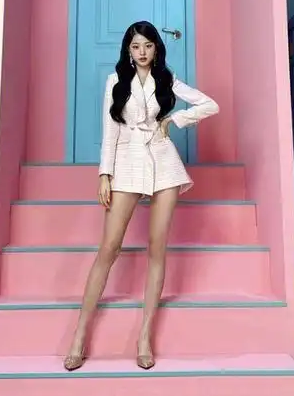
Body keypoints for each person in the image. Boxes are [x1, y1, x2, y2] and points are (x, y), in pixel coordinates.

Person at [63, 21, 219, 371]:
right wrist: (105, 174)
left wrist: (173, 121)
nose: (142, 52)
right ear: (128, 50)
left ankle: (144, 337)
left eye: (148, 45)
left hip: (163, 163)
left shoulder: (167, 78)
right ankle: (79, 335)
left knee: (157, 248)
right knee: (109, 248)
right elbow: (111, 131)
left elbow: (210, 105)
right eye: (136, 46)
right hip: (127, 163)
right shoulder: (116, 81)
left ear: (156, 48)